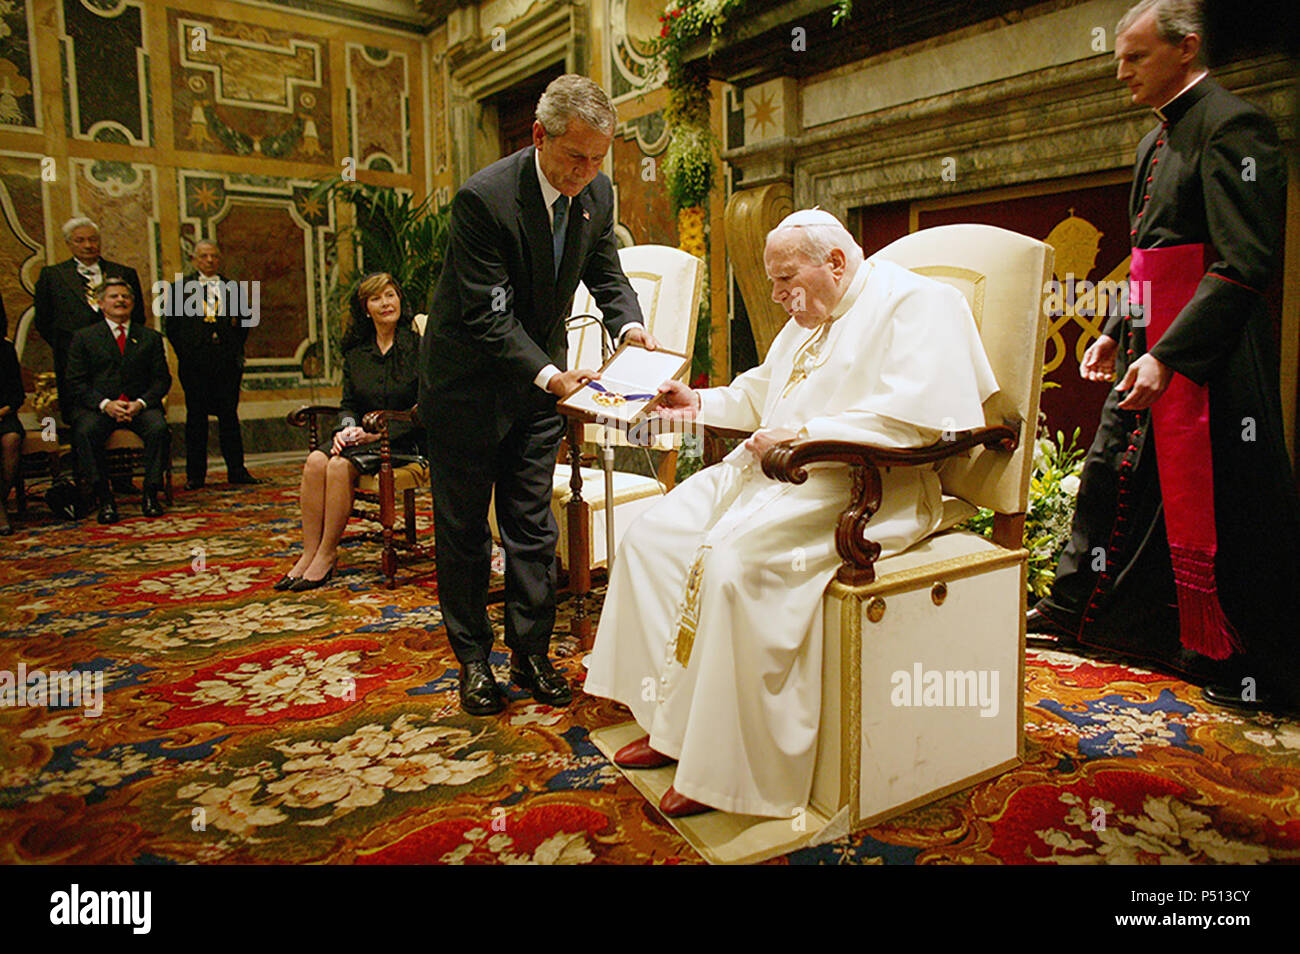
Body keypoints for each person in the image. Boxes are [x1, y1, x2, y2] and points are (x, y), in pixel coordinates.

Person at [583, 209, 998, 818]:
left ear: (834, 262)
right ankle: (670, 721)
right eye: (774, 281)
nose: (777, 296)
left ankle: (726, 768)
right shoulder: (810, 312)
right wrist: (697, 400)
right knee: (652, 535)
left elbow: (915, 422)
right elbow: (761, 392)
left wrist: (802, 432)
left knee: (732, 562)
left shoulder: (917, 303)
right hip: (779, 470)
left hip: (867, 481)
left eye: (784, 279)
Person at [1028, 0, 1300, 714]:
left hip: (1210, 359)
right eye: (1119, 57)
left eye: (1135, 57)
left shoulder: (1236, 126)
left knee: (1220, 500)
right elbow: (1148, 257)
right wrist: (1120, 331)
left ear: (1188, 49)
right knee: (1114, 476)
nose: (1121, 72)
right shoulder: (1154, 142)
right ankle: (1087, 617)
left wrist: (1173, 356)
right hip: (1151, 340)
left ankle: (1240, 660)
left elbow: (1245, 262)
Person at [420, 74, 654, 716]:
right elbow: (489, 317)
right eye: (575, 156)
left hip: (534, 394)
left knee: (531, 528)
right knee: (464, 531)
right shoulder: (484, 200)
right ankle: (473, 663)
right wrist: (554, 377)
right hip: (466, 388)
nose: (586, 171)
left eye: (598, 158)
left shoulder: (596, 193)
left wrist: (631, 327)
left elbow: (607, 271)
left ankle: (530, 654)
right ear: (538, 136)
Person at [278, 273, 422, 592]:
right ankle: (309, 553)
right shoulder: (356, 354)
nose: (386, 303)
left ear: (400, 299)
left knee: (338, 465)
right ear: (365, 308)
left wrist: (375, 434)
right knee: (316, 461)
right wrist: (346, 429)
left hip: (402, 440)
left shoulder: (419, 347)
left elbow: (426, 407)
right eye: (376, 298)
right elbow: (348, 405)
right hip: (361, 439)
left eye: (390, 295)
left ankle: (327, 555)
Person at [64, 277, 171, 523]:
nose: (120, 300)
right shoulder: (84, 338)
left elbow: (161, 380)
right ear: (101, 303)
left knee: (159, 429)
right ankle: (104, 498)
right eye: (114, 297)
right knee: (85, 432)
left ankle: (151, 495)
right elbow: (76, 383)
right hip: (99, 408)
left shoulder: (149, 338)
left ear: (133, 303)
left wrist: (141, 403)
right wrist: (105, 405)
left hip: (139, 407)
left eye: (126, 297)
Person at [165, 239, 258, 490]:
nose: (209, 261)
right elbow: (171, 327)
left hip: (227, 363)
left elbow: (246, 322)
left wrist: (233, 348)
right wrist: (188, 353)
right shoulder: (178, 289)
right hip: (194, 365)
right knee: (196, 418)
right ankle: (195, 475)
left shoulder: (232, 287)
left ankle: (237, 470)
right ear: (194, 259)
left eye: (214, 256)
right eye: (204, 256)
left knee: (229, 416)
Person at [33, 218, 146, 425]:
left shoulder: (124, 273)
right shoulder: (53, 276)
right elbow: (43, 321)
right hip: (74, 364)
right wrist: (73, 347)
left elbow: (138, 317)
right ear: (69, 244)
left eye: (93, 240)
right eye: (80, 240)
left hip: (120, 363)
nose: (88, 245)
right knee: (83, 428)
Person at [0, 292, 24, 535]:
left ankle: (1, 498)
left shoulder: (5, 350)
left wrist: (2, 411)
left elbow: (17, 395)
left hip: (4, 415)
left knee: (11, 439)